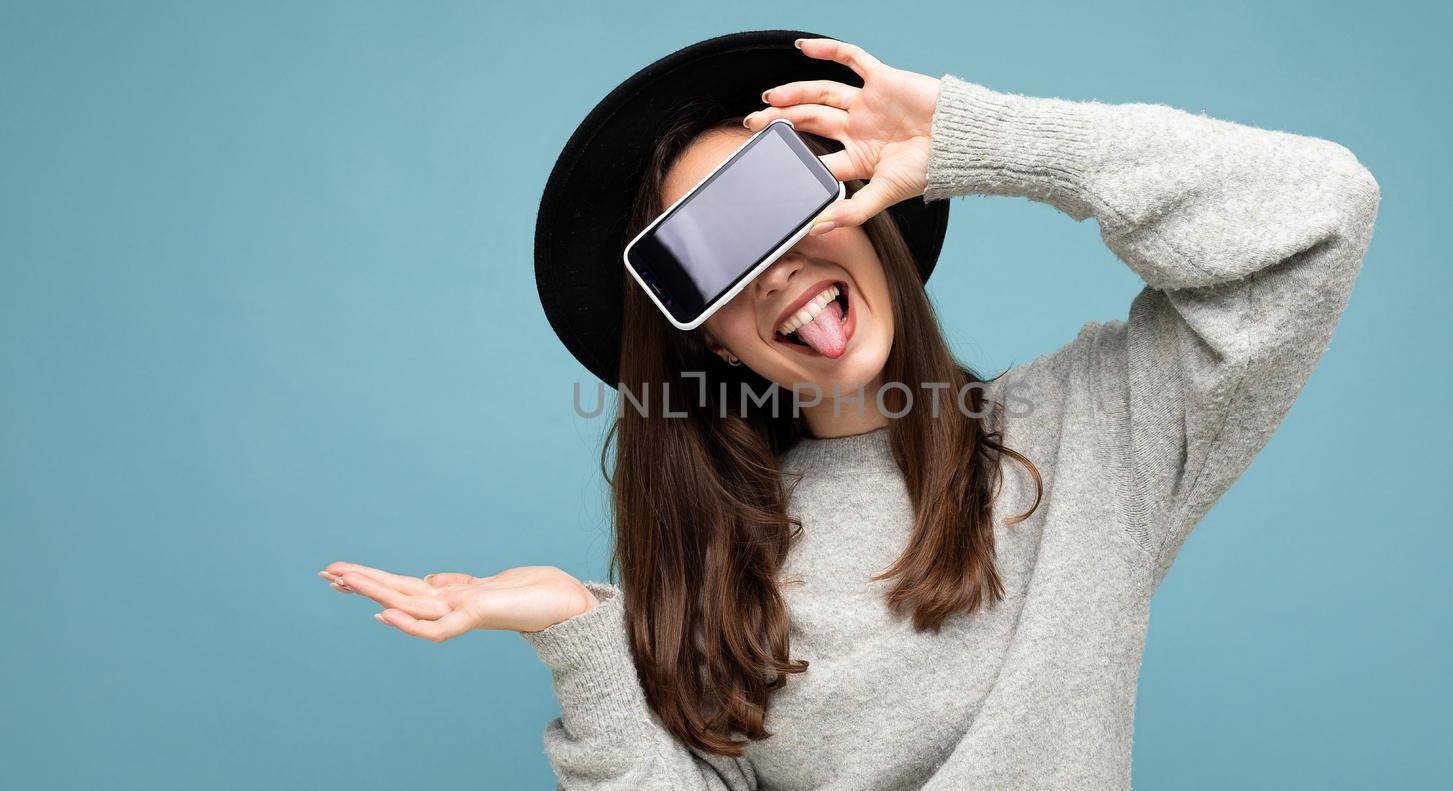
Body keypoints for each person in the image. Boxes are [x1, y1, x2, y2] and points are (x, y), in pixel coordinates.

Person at [319, 30, 1380, 790]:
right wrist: (579, 632)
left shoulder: (1095, 427)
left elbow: (1319, 209)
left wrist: (987, 139)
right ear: (707, 335)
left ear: (862, 208)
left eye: (779, 206)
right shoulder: (715, 557)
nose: (774, 268)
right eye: (716, 260)